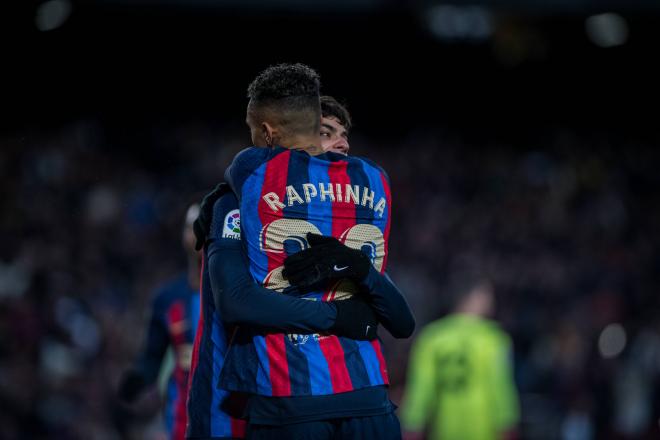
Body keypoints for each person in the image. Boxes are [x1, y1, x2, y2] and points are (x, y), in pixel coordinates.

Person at [209, 63, 414, 439]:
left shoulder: (251, 174)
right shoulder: (374, 180)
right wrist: (339, 312)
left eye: (343, 134)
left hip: (290, 398)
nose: (342, 143)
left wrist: (215, 202)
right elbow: (401, 322)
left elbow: (235, 300)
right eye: (327, 131)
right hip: (368, 396)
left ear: (268, 133)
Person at [117, 204, 204, 440]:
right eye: (191, 226)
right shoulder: (167, 298)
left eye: (205, 224)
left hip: (230, 410)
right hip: (181, 413)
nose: (198, 233)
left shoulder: (239, 295)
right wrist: (139, 377)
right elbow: (153, 355)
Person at [401, 272, 520, 440]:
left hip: (444, 431)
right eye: (487, 294)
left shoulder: (431, 338)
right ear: (475, 296)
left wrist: (412, 427)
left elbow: (420, 389)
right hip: (484, 432)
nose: (491, 300)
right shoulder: (494, 339)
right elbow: (500, 387)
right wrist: (508, 424)